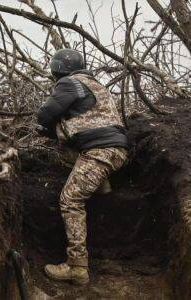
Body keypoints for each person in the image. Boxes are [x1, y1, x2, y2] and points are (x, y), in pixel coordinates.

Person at [36, 49, 128, 285]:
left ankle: (77, 267)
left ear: (57, 69)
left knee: (71, 200)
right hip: (115, 150)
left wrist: (49, 125)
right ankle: (101, 184)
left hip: (100, 152)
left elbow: (45, 113)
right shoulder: (95, 84)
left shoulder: (69, 82)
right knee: (67, 144)